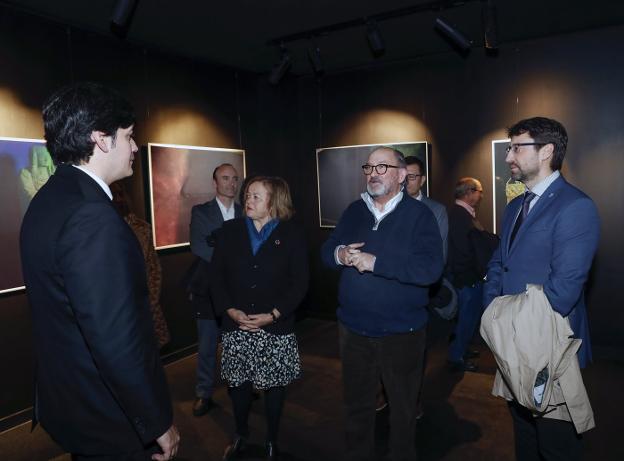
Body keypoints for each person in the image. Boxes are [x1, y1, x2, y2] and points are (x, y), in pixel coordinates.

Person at [20, 82, 179, 461]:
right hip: (108, 417)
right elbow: (115, 339)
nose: (136, 148)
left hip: (72, 405)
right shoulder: (92, 217)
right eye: (129, 136)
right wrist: (155, 422)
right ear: (101, 139)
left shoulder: (48, 200)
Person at [483, 117, 600, 461]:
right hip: (512, 342)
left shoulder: (576, 206)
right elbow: (498, 263)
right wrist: (491, 310)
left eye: (517, 147)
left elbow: (563, 291)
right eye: (510, 148)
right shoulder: (515, 206)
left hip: (550, 345)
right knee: (524, 436)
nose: (509, 157)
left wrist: (505, 317)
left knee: (556, 445)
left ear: (547, 150)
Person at [321, 147, 443, 461]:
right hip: (353, 330)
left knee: (403, 412)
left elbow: (430, 270)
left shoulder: (420, 216)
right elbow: (327, 251)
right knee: (356, 408)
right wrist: (340, 255)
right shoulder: (353, 211)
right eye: (369, 167)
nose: (372, 173)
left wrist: (377, 263)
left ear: (402, 175)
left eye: (382, 167)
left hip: (402, 333)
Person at [210, 176, 309, 461]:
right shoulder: (229, 231)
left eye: (255, 196)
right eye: (247, 195)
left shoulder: (292, 234)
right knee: (238, 386)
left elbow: (300, 283)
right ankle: (241, 434)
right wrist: (229, 310)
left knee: (274, 386)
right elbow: (215, 277)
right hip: (236, 324)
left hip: (275, 325)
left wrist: (274, 314)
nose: (247, 201)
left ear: (274, 201)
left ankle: (271, 440)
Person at [188, 163, 242, 416]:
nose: (231, 183)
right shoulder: (201, 212)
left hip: (238, 291)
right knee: (208, 344)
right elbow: (199, 246)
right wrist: (231, 258)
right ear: (215, 183)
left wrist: (221, 245)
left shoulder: (245, 212)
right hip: (208, 290)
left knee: (237, 343)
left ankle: (240, 386)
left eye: (234, 179)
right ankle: (203, 393)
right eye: (225, 178)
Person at [111, 181, 171, 350]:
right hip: (117, 311)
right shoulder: (101, 229)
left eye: (120, 195)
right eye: (113, 195)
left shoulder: (142, 228)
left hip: (145, 306)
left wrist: (149, 300)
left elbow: (154, 268)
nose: (118, 199)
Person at [446, 177, 489, 372]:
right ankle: (457, 356)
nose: (481, 195)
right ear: (469, 193)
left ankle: (461, 349)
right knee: (466, 318)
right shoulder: (458, 215)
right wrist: (474, 274)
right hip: (466, 279)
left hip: (468, 277)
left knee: (468, 318)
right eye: (479, 191)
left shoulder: (461, 214)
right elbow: (463, 251)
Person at [405, 155, 448, 261]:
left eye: (411, 177)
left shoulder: (437, 210)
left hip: (424, 274)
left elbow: (441, 253)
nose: (406, 182)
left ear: (422, 180)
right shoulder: (389, 207)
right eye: (403, 176)